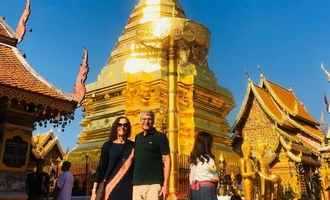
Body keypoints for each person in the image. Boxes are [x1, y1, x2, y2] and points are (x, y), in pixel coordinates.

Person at [91, 116, 134, 200]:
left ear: (128, 127)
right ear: (115, 127)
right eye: (119, 124)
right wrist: (94, 191)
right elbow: (101, 168)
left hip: (127, 188)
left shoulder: (133, 146)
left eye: (125, 125)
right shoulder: (108, 145)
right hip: (110, 187)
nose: (122, 127)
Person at [133, 111, 171, 200]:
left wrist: (165, 184)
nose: (146, 122)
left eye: (149, 119)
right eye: (144, 119)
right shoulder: (137, 138)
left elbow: (167, 160)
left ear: (153, 121)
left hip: (154, 184)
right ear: (140, 121)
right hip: (137, 184)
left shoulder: (160, 137)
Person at [189, 132, 219, 200]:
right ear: (207, 145)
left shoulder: (193, 161)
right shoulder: (210, 160)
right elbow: (215, 177)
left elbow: (191, 179)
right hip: (207, 190)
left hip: (195, 191)